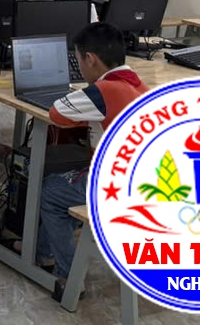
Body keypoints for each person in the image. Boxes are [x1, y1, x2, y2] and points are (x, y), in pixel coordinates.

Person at [37, 22, 146, 296]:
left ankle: (68, 276)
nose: (80, 69)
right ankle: (43, 251)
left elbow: (57, 113)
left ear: (90, 59)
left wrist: (82, 103)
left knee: (51, 191)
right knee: (69, 185)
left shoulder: (105, 90)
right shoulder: (138, 85)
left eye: (78, 61)